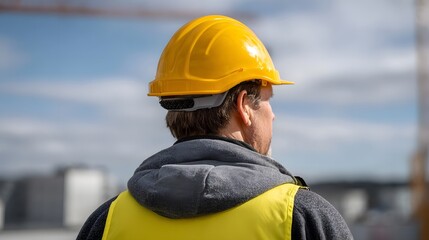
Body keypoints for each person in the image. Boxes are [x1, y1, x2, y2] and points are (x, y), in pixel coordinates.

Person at [77, 15, 353, 240]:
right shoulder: (303, 218)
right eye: (268, 101)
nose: (273, 116)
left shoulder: (108, 221)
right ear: (244, 105)